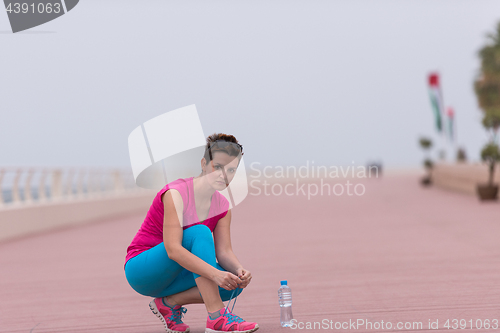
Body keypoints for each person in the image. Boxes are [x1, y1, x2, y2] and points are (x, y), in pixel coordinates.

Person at [124, 133, 259, 333]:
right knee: (200, 232)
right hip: (143, 270)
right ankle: (217, 318)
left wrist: (239, 271)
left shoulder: (222, 206)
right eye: (218, 167)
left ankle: (169, 303)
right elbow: (173, 249)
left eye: (231, 170)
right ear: (204, 163)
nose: (224, 175)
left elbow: (224, 252)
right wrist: (214, 274)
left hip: (176, 274)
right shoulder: (176, 194)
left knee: (233, 283)